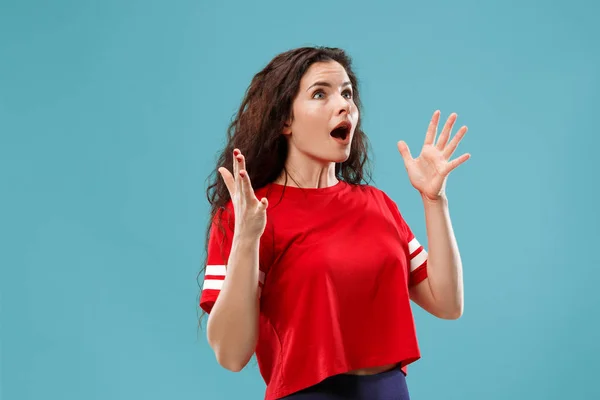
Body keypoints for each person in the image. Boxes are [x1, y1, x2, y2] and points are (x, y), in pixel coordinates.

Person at [198, 46, 469, 400]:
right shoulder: (248, 211)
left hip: (389, 391)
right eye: (320, 94)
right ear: (285, 120)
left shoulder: (378, 205)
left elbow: (446, 303)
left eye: (347, 93)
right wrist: (247, 240)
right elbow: (231, 355)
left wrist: (434, 201)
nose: (343, 105)